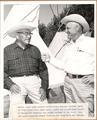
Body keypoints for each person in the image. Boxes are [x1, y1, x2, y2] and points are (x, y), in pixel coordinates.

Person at [45, 14, 95, 116]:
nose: (66, 31)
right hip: (67, 81)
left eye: (68, 28)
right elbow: (64, 65)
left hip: (82, 83)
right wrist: (49, 59)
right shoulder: (69, 46)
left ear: (77, 27)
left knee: (85, 113)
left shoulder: (91, 42)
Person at [4, 25, 49, 118]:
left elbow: (43, 70)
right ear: (17, 36)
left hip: (34, 81)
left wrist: (44, 87)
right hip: (16, 83)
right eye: (26, 33)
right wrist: (10, 84)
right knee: (16, 111)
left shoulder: (35, 49)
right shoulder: (7, 50)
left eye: (30, 33)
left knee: (44, 107)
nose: (29, 36)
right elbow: (2, 71)